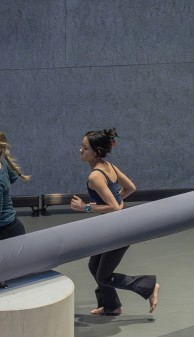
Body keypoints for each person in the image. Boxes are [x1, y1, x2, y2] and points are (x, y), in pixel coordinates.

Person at [69, 128, 160, 315]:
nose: (80, 150)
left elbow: (115, 208)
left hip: (119, 230)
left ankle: (149, 286)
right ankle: (112, 306)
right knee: (94, 266)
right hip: (112, 227)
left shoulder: (95, 176)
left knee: (103, 275)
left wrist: (85, 207)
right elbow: (130, 188)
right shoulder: (108, 166)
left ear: (97, 152)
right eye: (81, 146)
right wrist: (115, 200)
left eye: (85, 148)